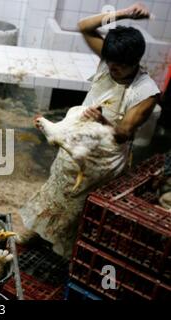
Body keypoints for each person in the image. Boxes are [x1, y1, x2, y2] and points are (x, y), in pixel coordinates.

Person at [18, 3, 160, 258]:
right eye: (109, 61)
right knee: (55, 191)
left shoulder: (145, 92)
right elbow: (84, 27)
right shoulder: (110, 63)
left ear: (134, 62)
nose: (111, 68)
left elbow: (123, 134)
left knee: (79, 208)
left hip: (101, 161)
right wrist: (124, 13)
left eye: (118, 66)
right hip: (76, 146)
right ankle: (38, 232)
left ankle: (65, 252)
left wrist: (103, 122)